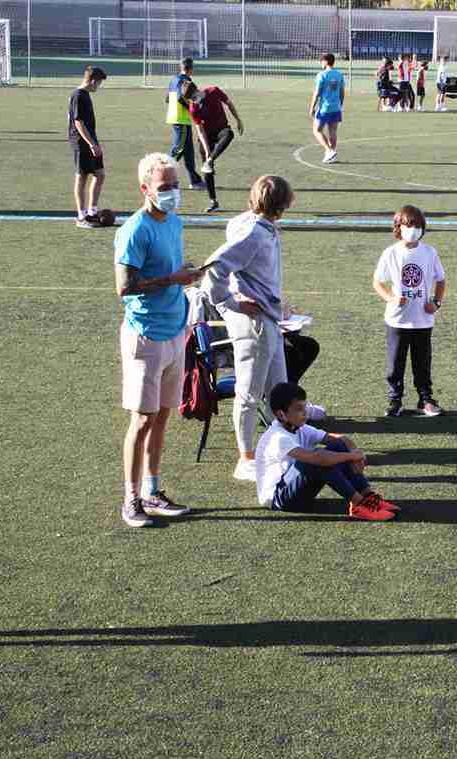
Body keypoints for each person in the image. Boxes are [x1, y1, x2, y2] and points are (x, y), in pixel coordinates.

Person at [114, 152, 202, 527]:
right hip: (145, 335)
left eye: (176, 186)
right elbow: (124, 286)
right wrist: (171, 280)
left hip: (174, 330)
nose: (172, 193)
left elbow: (170, 270)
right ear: (145, 189)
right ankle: (131, 499)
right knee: (142, 418)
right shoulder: (135, 230)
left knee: (163, 415)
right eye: (165, 187)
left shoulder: (175, 222)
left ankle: (152, 490)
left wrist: (185, 274)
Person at [201, 175, 294, 481]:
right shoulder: (254, 232)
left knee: (279, 389)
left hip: (269, 319)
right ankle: (246, 458)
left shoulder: (254, 225)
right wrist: (231, 302)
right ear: (283, 204)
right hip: (253, 324)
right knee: (249, 393)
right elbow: (215, 268)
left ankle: (282, 447)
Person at [256, 382, 396, 521]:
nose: (305, 413)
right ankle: (359, 504)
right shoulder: (277, 437)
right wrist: (350, 456)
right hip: (279, 499)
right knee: (316, 460)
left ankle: (368, 496)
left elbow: (339, 439)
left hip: (296, 491)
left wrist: (354, 451)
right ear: (281, 414)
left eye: (305, 407)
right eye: (299, 409)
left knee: (338, 445)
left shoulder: (299, 427)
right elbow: (317, 458)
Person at [373, 205, 446, 418]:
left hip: (422, 320)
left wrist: (436, 302)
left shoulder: (430, 252)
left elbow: (441, 280)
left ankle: (425, 399)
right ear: (399, 227)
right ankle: (395, 400)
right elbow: (377, 282)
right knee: (395, 365)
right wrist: (391, 298)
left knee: (422, 364)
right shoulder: (390, 253)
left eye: (418, 226)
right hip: (397, 320)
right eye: (409, 225)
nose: (413, 230)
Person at [185, 82, 245, 212]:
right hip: (206, 136)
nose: (194, 101)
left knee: (229, 134)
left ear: (197, 90)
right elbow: (200, 131)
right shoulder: (193, 107)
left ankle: (210, 160)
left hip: (221, 130)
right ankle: (213, 201)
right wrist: (207, 151)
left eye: (194, 97)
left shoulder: (214, 91)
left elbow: (229, 103)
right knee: (207, 168)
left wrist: (238, 120)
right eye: (191, 100)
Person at [68, 66, 108, 229]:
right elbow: (78, 122)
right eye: (98, 83)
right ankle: (81, 216)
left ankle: (92, 212)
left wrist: (94, 142)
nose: (98, 86)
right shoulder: (78, 95)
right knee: (82, 177)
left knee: (100, 174)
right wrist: (91, 144)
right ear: (92, 81)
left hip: (91, 140)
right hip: (81, 142)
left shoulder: (85, 95)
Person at [165, 58, 204, 190]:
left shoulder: (174, 80)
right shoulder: (185, 81)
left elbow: (167, 98)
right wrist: (190, 107)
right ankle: (163, 176)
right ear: (191, 69)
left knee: (188, 152)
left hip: (179, 119)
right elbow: (180, 98)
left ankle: (195, 181)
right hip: (180, 119)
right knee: (178, 150)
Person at [309, 53, 345, 164]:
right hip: (336, 107)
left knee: (317, 130)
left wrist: (312, 107)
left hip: (325, 107)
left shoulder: (322, 75)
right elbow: (342, 92)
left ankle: (329, 151)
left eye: (322, 61)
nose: (321, 63)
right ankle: (332, 154)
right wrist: (340, 104)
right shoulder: (339, 75)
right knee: (333, 131)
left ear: (325, 61)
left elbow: (317, 93)